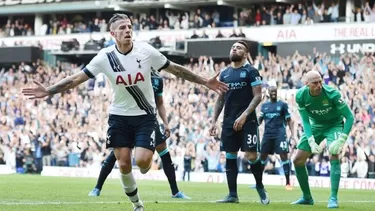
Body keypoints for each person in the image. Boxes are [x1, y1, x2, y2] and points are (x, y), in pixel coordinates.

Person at [22, 13, 228, 211]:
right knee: (123, 163)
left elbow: (175, 69)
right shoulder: (105, 57)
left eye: (129, 27)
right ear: (113, 34)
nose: (128, 30)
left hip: (145, 116)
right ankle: (137, 204)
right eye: (122, 28)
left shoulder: (146, 51)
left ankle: (145, 165)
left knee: (143, 162)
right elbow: (76, 78)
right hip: (119, 116)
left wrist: (204, 81)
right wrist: (49, 90)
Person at [88, 72, 190, 199]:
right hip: (130, 120)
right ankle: (97, 187)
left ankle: (175, 192)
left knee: (163, 150)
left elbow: (160, 102)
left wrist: (166, 123)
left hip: (149, 122)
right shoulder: (135, 72)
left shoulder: (157, 79)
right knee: (117, 153)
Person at [209, 40, 269, 204]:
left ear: (246, 53)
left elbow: (258, 96)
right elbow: (220, 99)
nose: (235, 49)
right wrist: (214, 121)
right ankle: (232, 195)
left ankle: (259, 186)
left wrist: (243, 116)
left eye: (239, 47)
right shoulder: (225, 74)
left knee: (251, 155)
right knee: (230, 155)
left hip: (248, 121)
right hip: (228, 121)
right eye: (233, 47)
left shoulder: (251, 71)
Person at [291, 70, 354, 208]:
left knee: (334, 154)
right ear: (306, 84)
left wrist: (342, 139)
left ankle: (333, 198)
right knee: (297, 160)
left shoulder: (333, 94)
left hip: (334, 125)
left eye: (320, 81)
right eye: (315, 83)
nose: (319, 85)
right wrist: (311, 139)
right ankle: (307, 197)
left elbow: (349, 117)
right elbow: (306, 121)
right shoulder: (300, 96)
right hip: (316, 125)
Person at [258, 86, 295, 190]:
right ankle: (259, 182)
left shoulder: (283, 105)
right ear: (268, 93)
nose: (273, 93)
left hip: (280, 134)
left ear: (277, 92)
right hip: (267, 135)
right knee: (262, 157)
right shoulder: (264, 106)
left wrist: (292, 134)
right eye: (271, 91)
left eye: (275, 91)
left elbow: (289, 120)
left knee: (284, 156)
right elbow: (259, 121)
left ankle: (288, 182)